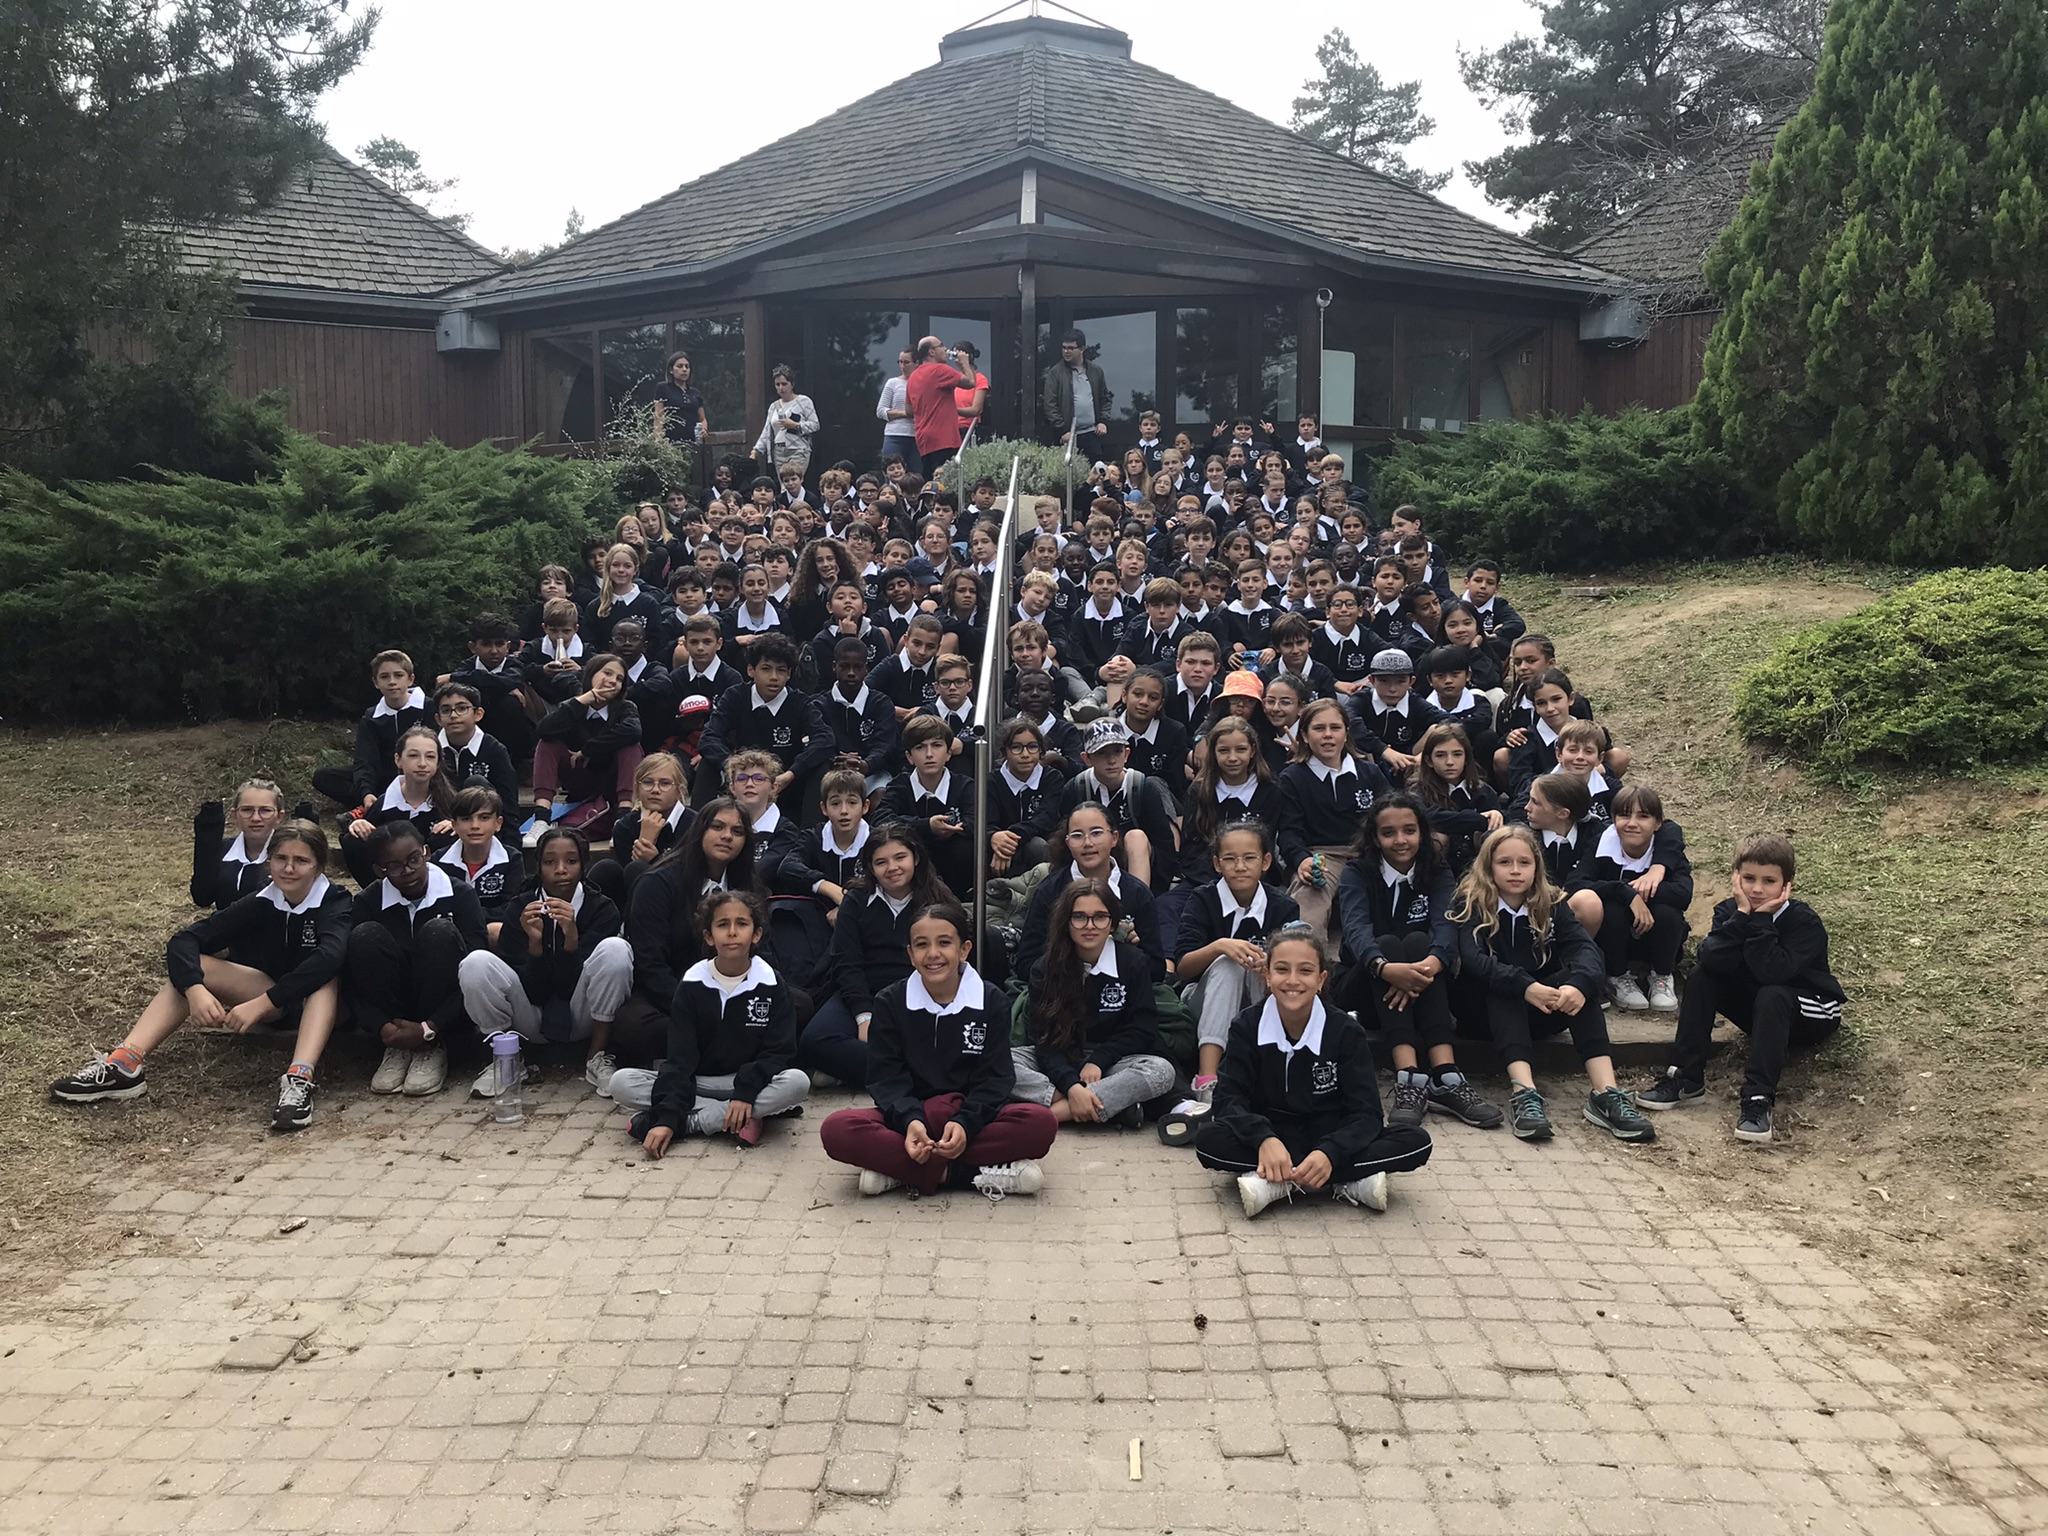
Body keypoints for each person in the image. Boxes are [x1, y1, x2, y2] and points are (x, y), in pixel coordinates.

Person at [50, 819, 350, 1133]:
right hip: (274, 1002)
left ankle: (299, 1080)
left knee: (324, 975)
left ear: (319, 867)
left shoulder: (336, 902)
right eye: (280, 858)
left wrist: (264, 1002)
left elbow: (330, 958)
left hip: (325, 1007)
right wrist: (195, 989)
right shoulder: (263, 900)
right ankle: (124, 1065)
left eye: (301, 860)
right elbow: (184, 940)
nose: (288, 868)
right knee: (194, 966)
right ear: (269, 861)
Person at [819, 903, 1057, 1200]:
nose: (933, 954)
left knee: (1040, 1124)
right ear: (910, 954)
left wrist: (964, 1123)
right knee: (836, 1130)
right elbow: (886, 1078)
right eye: (922, 945)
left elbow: (995, 1078)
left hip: (971, 1117)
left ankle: (899, 1169)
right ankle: (967, 1175)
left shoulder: (991, 1000)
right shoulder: (890, 1001)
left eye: (944, 943)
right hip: (910, 1118)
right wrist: (911, 1120)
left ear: (964, 949)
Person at [1194, 923, 1433, 1218]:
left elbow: (1367, 1113)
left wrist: (1330, 1152)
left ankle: (1280, 1180)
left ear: (1321, 979)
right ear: (1267, 975)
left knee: (1415, 1142)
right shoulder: (1246, 1026)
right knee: (1208, 1141)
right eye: (1282, 970)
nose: (1293, 981)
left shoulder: (1345, 1030)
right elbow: (1228, 1100)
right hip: (1272, 1132)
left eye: (1305, 971)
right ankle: (1348, 1179)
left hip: (1330, 1132)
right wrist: (1263, 1139)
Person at [1447, 826, 1657, 1145]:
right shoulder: (1471, 903)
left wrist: (1578, 985)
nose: (1515, 870)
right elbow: (1475, 961)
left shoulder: (1552, 903)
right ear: (1488, 866)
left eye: (1524, 862)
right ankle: (1524, 1093)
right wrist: (1525, 986)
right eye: (1504, 862)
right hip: (1481, 1016)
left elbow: (1586, 950)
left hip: (1539, 1011)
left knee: (1579, 983)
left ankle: (1606, 1093)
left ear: (1536, 867)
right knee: (1506, 984)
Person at [1637, 833, 1845, 1143]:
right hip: (1764, 1010)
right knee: (1702, 976)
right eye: (1749, 878)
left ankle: (1758, 1099)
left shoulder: (1804, 922)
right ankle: (1686, 1077)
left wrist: (1761, 920)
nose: (1757, 889)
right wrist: (1743, 916)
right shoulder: (1729, 912)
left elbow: (1773, 972)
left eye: (1769, 881)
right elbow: (1710, 958)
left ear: (1787, 885)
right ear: (1736, 878)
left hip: (1812, 1012)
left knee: (1773, 993)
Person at [1334, 794, 1502, 1131]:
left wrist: (1432, 964)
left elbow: (1446, 924)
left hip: (1423, 983)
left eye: (1409, 830)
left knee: (1420, 943)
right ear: (1374, 837)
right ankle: (1409, 1079)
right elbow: (1355, 930)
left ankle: (1446, 1076)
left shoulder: (1437, 871)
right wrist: (1384, 967)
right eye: (1389, 833)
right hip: (1363, 986)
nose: (1400, 840)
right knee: (1387, 944)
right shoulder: (1357, 873)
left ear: (1422, 833)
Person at [613, 889, 811, 1149]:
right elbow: (680, 1058)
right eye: (723, 925)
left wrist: (744, 1093)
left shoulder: (772, 984)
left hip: (749, 1081)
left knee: (797, 1083)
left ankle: (691, 1123)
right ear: (709, 936)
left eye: (742, 924)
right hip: (698, 1082)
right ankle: (743, 1117)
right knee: (622, 1083)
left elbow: (778, 1052)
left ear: (757, 934)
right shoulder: (692, 983)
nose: (732, 932)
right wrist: (670, 1110)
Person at [458, 825, 635, 1097]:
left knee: (616, 949)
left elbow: (569, 987)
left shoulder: (601, 908)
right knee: (475, 963)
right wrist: (535, 946)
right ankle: (507, 1059)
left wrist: (571, 940)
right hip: (529, 1013)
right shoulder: (521, 908)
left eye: (571, 861)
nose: (561, 870)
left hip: (583, 1012)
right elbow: (532, 990)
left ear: (584, 865)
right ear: (538, 867)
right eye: (550, 862)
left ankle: (597, 1056)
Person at [793, 823, 950, 1091]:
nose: (892, 868)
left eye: (900, 857)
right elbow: (847, 963)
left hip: (917, 992)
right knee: (815, 1041)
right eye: (881, 862)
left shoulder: (937, 898)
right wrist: (863, 1016)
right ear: (870, 867)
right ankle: (916, 1074)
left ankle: (861, 1071)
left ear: (915, 858)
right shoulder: (856, 900)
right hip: (863, 990)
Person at [1012, 880, 1176, 1127]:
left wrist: (1098, 1060)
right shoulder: (1045, 967)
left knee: (1161, 1070)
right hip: (1058, 1062)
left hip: (1111, 1065)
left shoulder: (1133, 962)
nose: (1089, 926)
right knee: (1000, 1063)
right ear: (1066, 922)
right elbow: (1044, 1041)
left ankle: (1057, 1114)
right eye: (1079, 917)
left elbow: (1142, 1028)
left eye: (1100, 917)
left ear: (1112, 923)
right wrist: (1071, 1086)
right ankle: (1101, 1106)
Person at [352, 821, 487, 1101]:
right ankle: (397, 1046)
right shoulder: (368, 902)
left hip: (444, 1012)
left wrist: (432, 1026)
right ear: (379, 870)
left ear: (426, 852)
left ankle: (431, 1048)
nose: (408, 871)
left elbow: (476, 968)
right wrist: (381, 1025)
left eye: (414, 859)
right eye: (395, 866)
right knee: (364, 935)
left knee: (439, 932)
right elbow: (353, 973)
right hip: (394, 1007)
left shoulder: (460, 894)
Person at [1175, 821, 1301, 1103]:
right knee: (1228, 964)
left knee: (1267, 967)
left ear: (1265, 862)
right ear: (1217, 864)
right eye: (1230, 859)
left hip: (1257, 998)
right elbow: (1183, 967)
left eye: (1249, 858)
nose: (1240, 867)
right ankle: (1207, 1077)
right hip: (1201, 1001)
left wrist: (1267, 964)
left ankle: (1270, 1067)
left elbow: (1292, 965)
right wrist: (1220, 946)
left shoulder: (1283, 906)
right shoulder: (1202, 899)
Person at [1564, 785, 1692, 1013]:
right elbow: (1575, 884)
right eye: (1624, 815)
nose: (1632, 823)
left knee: (1668, 911)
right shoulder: (1601, 845)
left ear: (1657, 824)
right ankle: (1617, 976)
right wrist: (1625, 893)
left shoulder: (1668, 851)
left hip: (1655, 939)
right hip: (1614, 940)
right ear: (1613, 819)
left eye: (1643, 816)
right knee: (1613, 909)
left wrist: (1643, 896)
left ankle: (1662, 975)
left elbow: (1683, 894)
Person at [1276, 697, 1389, 942]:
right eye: (1319, 728)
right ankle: (1304, 953)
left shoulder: (1369, 772)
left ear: (1346, 733)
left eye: (1335, 728)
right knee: (1309, 892)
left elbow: (1390, 817)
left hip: (1370, 852)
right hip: (1322, 856)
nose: (1328, 735)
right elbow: (1289, 831)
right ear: (1305, 735)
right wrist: (1302, 860)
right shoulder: (1292, 778)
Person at [190, 777, 287, 910]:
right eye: (247, 810)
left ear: (280, 816)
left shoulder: (291, 854)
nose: (256, 818)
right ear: (234, 814)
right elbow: (202, 898)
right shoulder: (220, 851)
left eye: (265, 810)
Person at [904, 336, 978, 478]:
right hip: (945, 439)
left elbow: (909, 410)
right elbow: (970, 382)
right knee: (947, 482)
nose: (945, 349)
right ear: (932, 352)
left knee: (930, 481)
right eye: (941, 345)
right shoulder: (940, 370)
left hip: (924, 440)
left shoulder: (913, 376)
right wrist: (965, 363)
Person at [1043, 329, 1111, 452]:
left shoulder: (1095, 371)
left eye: (1070, 348)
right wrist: (1062, 430)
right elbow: (1050, 405)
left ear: (1082, 349)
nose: (1066, 351)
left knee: (1097, 463)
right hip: (1067, 436)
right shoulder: (1055, 373)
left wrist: (1103, 421)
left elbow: (1105, 398)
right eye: (1064, 348)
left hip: (1092, 433)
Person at [751, 365, 818, 482]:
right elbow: (767, 431)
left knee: (792, 482)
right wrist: (756, 450)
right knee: (784, 485)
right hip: (779, 452)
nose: (781, 388)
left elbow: (815, 425)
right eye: (777, 385)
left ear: (792, 384)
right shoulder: (773, 406)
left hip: (798, 449)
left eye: (784, 384)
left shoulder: (804, 401)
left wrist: (795, 425)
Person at [876, 347, 922, 474]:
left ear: (917, 363)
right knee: (892, 471)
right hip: (895, 435)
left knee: (916, 475)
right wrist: (905, 413)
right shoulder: (893, 383)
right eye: (900, 362)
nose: (902, 366)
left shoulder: (923, 384)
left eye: (906, 362)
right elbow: (880, 411)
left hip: (917, 436)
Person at [652, 351, 707, 445]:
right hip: (671, 444)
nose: (684, 369)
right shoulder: (663, 388)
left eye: (687, 366)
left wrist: (704, 429)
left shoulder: (695, 393)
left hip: (692, 443)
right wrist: (659, 439)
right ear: (671, 370)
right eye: (680, 366)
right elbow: (659, 416)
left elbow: (702, 419)